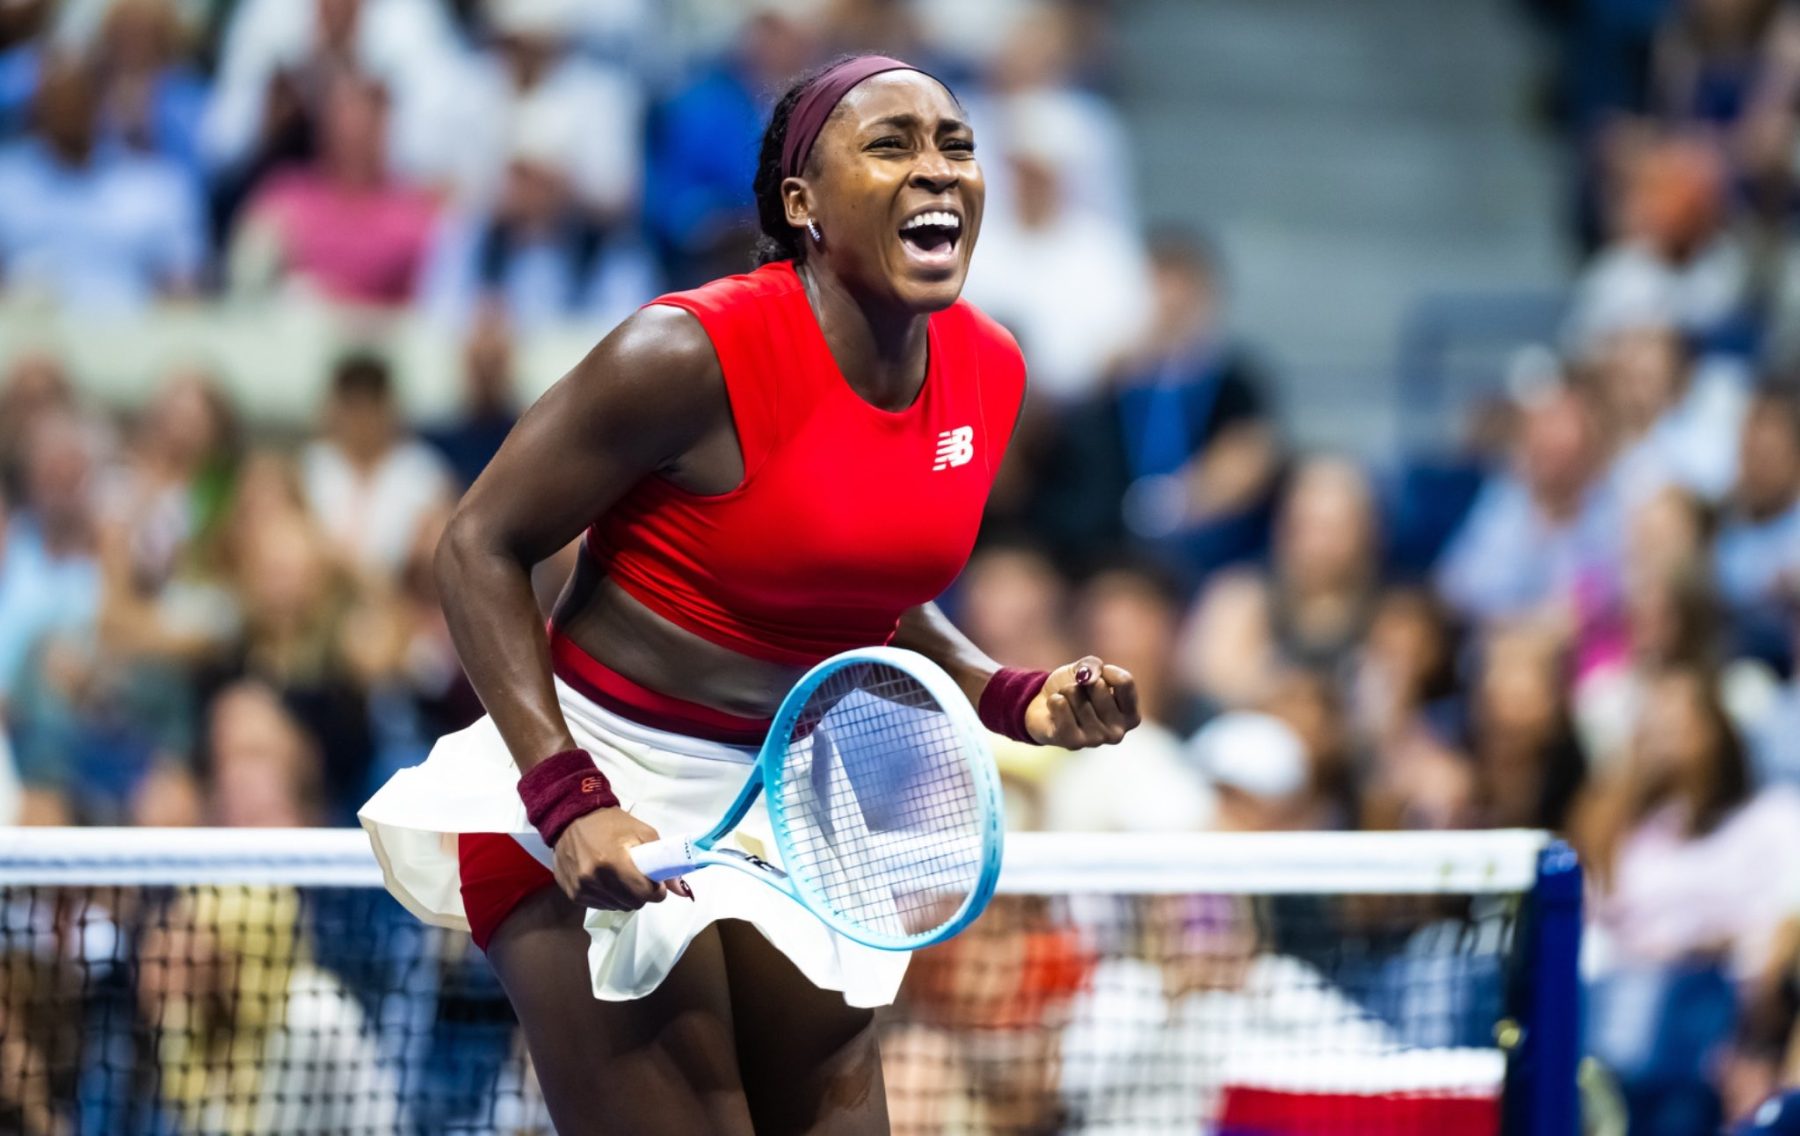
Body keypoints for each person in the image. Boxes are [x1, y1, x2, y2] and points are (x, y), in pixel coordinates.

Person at [359, 54, 1141, 1135]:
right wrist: (568, 797)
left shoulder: (990, 369)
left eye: (955, 145)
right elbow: (478, 544)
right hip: (590, 775)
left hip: (787, 800)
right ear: (802, 203)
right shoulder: (685, 351)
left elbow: (859, 584)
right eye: (892, 145)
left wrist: (1007, 693)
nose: (937, 169)